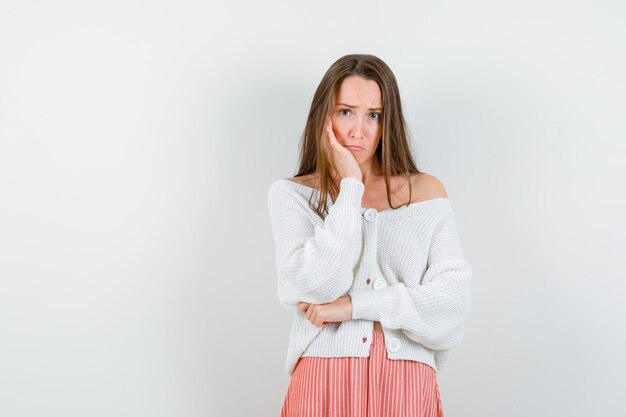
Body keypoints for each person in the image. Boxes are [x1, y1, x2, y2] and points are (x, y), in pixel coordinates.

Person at [266, 54, 473, 417]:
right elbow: (317, 285)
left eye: (373, 115)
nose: (358, 131)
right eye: (345, 111)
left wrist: (354, 307)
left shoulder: (426, 192)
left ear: (387, 121)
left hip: (407, 383)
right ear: (324, 116)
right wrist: (349, 189)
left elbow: (451, 307)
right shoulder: (291, 195)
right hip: (322, 380)